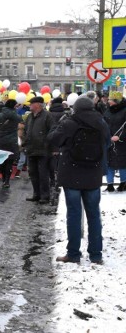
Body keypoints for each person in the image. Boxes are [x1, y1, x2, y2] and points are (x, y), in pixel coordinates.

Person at [48, 96, 109, 265]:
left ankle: (73, 254)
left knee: (74, 215)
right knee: (94, 215)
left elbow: (53, 139)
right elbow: (107, 143)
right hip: (93, 175)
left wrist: (58, 124)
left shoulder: (70, 122)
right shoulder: (101, 122)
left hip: (72, 174)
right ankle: (96, 255)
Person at [23, 96, 54, 203]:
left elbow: (52, 131)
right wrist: (24, 143)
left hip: (43, 150)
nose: (30, 105)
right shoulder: (30, 117)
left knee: (43, 174)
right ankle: (36, 194)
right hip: (31, 149)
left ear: (38, 105)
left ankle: (45, 196)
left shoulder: (48, 116)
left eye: (32, 103)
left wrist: (49, 145)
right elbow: (26, 131)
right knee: (33, 173)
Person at [0, 99, 23, 188]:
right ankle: (7, 181)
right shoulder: (16, 116)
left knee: (3, 161)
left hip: (1, 141)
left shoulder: (1, 114)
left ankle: (4, 180)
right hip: (12, 141)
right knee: (10, 162)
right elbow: (21, 119)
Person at [102, 91, 126, 192]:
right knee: (109, 163)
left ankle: (123, 184)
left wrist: (120, 137)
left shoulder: (125, 111)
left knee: (122, 164)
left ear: (116, 101)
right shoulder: (108, 111)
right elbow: (103, 124)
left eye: (111, 100)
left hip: (122, 142)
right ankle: (110, 184)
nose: (108, 101)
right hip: (109, 141)